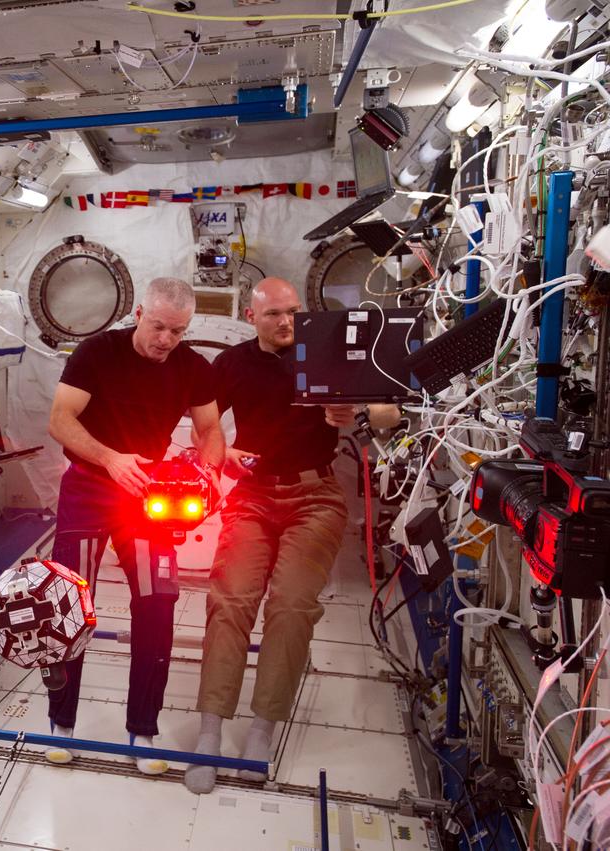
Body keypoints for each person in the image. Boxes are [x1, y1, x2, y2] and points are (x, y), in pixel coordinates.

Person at [184, 277, 399, 794]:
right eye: (275, 314)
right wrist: (224, 453)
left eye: (294, 313)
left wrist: (355, 411)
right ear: (252, 317)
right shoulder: (232, 364)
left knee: (290, 604)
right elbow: (204, 427)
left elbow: (390, 413)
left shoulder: (326, 352)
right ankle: (210, 730)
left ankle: (263, 725)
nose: (286, 323)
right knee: (231, 598)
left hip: (315, 497)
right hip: (253, 496)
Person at [46, 277, 224, 774]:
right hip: (88, 485)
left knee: (157, 601)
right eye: (159, 326)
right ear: (140, 312)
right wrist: (109, 459)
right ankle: (60, 722)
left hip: (146, 495)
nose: (166, 339)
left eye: (178, 331)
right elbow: (61, 419)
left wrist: (207, 476)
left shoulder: (193, 367)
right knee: (71, 603)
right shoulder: (96, 352)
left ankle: (143, 727)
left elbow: (210, 430)